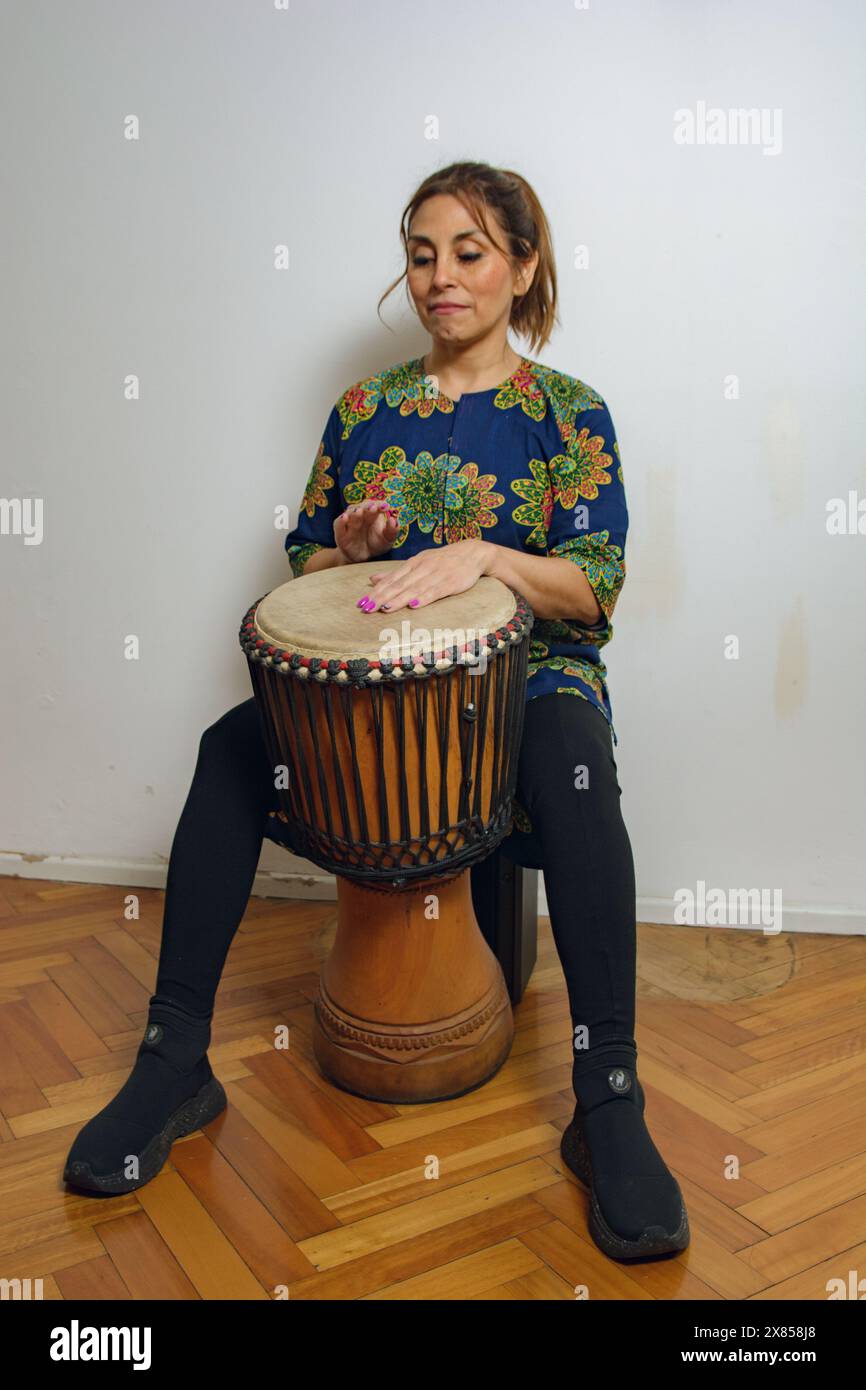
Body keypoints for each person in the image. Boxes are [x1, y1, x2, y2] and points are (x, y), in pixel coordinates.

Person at [64, 161, 689, 1263]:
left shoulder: (567, 415)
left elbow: (593, 585)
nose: (439, 278)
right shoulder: (363, 410)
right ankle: (173, 1065)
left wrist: (485, 553)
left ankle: (607, 1100)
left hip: (526, 684)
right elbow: (305, 556)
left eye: (468, 252)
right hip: (380, 698)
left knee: (578, 771)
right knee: (225, 750)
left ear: (522, 265)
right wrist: (342, 551)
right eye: (419, 254)